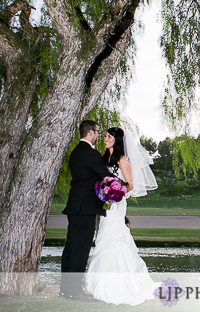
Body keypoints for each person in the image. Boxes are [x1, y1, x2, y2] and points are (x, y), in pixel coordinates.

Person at [84, 126, 158, 304]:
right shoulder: (104, 158)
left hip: (116, 205)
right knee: (103, 237)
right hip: (104, 205)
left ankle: (121, 285)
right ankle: (99, 283)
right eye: (106, 136)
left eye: (109, 137)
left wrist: (116, 193)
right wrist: (103, 192)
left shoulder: (122, 159)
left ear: (117, 140)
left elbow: (130, 184)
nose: (106, 139)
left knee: (115, 238)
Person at [60, 120, 113, 300]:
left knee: (71, 248)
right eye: (97, 132)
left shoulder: (76, 152)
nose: (99, 135)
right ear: (90, 132)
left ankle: (65, 289)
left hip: (76, 206)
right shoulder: (91, 154)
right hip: (85, 208)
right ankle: (74, 291)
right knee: (80, 249)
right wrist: (122, 186)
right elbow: (105, 175)